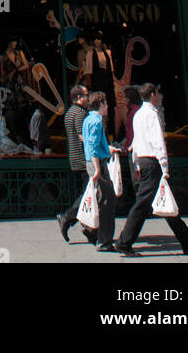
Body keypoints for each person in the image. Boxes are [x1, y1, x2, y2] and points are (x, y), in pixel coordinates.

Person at [115, 83, 188, 256]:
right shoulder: (151, 114)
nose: (159, 96)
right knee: (143, 204)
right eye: (158, 93)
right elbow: (158, 142)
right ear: (153, 94)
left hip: (143, 162)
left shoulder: (138, 114)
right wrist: (164, 167)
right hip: (152, 163)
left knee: (167, 203)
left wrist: (135, 163)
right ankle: (124, 242)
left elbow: (136, 141)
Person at [57, 84, 95, 244]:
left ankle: (90, 229)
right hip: (83, 158)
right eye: (86, 95)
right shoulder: (79, 113)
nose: (88, 98)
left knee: (90, 193)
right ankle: (68, 217)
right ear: (79, 97)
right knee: (90, 193)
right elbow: (82, 136)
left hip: (76, 158)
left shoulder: (70, 112)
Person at [81, 91, 119, 253]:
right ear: (101, 104)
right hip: (98, 164)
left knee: (98, 197)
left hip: (91, 161)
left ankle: (90, 227)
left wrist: (107, 149)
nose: (108, 106)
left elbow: (90, 143)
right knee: (107, 201)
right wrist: (97, 168)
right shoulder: (96, 121)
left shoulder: (88, 119)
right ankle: (104, 241)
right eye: (106, 103)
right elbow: (93, 146)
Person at [83, 33, 117, 131]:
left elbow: (111, 68)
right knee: (99, 101)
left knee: (109, 102)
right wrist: (90, 83)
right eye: (95, 39)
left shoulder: (107, 53)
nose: (97, 41)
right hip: (97, 80)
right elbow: (88, 70)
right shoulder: (91, 54)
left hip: (107, 79)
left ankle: (111, 128)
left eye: (99, 39)